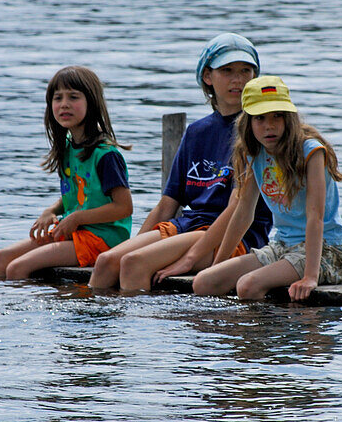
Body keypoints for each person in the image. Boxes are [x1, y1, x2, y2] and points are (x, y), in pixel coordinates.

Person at [88, 33, 273, 293]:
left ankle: (141, 333)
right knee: (108, 261)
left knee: (133, 263)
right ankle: (96, 330)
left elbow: (237, 209)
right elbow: (168, 203)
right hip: (189, 225)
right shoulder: (197, 132)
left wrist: (189, 258)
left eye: (246, 71)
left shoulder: (260, 129)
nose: (238, 79)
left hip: (234, 236)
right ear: (208, 77)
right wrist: (139, 241)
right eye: (227, 70)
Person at [192, 75, 342, 301]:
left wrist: (310, 277)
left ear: (289, 118)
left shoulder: (312, 152)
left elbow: (316, 215)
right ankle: (238, 333)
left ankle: (267, 335)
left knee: (247, 286)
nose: (270, 126)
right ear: (247, 122)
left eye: (278, 116)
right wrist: (218, 264)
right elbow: (244, 212)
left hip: (325, 252)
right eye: (260, 118)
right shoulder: (255, 154)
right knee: (204, 282)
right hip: (281, 246)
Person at [0, 66, 133, 280]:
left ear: (91, 103)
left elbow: (124, 207)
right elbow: (81, 192)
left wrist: (77, 217)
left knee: (16, 269)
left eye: (73, 97)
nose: (64, 104)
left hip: (102, 238)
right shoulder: (68, 147)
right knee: (1, 259)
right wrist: (51, 211)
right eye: (58, 98)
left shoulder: (105, 155)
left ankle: (33, 313)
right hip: (74, 232)